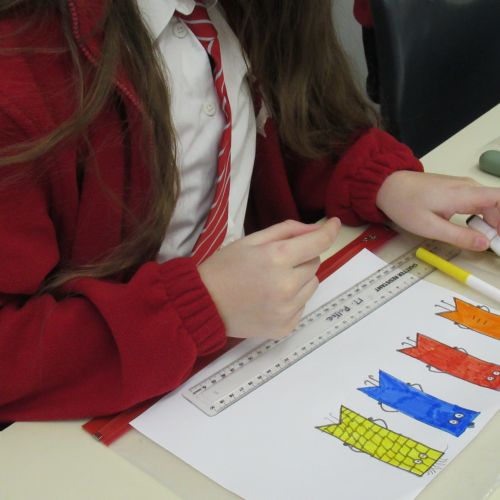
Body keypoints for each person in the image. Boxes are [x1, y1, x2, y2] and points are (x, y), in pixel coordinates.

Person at [1, 0, 499, 422]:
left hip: (242, 355)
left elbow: (281, 137)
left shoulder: (249, 12)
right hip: (96, 405)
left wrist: (382, 181)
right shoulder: (22, 71)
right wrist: (197, 308)